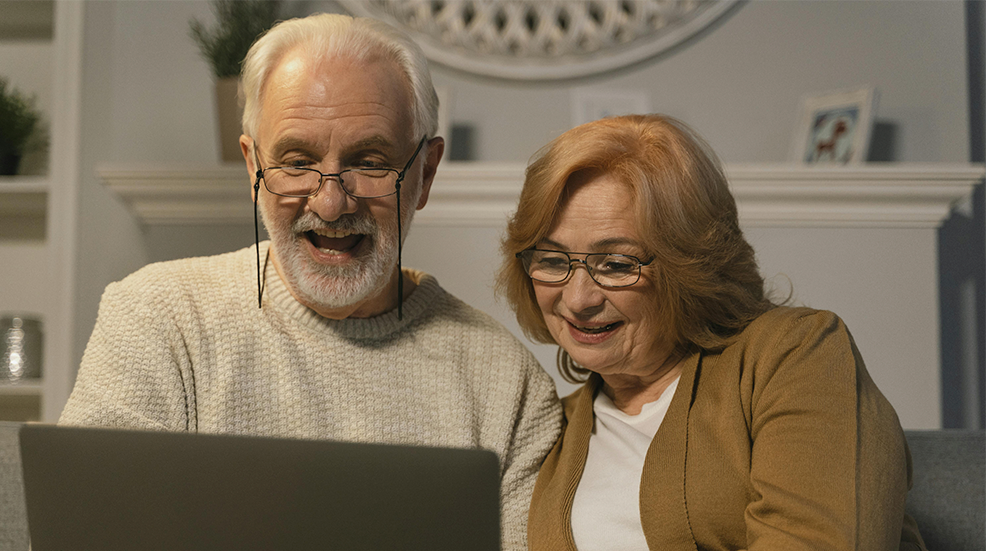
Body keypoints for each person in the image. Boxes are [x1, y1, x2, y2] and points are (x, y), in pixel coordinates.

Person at [59, 13, 561, 550]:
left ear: (425, 174)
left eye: (370, 161)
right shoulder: (156, 319)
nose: (330, 202)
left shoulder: (506, 384)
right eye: (296, 162)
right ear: (253, 168)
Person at [497, 114, 926, 550]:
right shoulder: (549, 428)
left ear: (691, 267)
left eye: (617, 264)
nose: (578, 299)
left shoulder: (794, 356)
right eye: (552, 260)